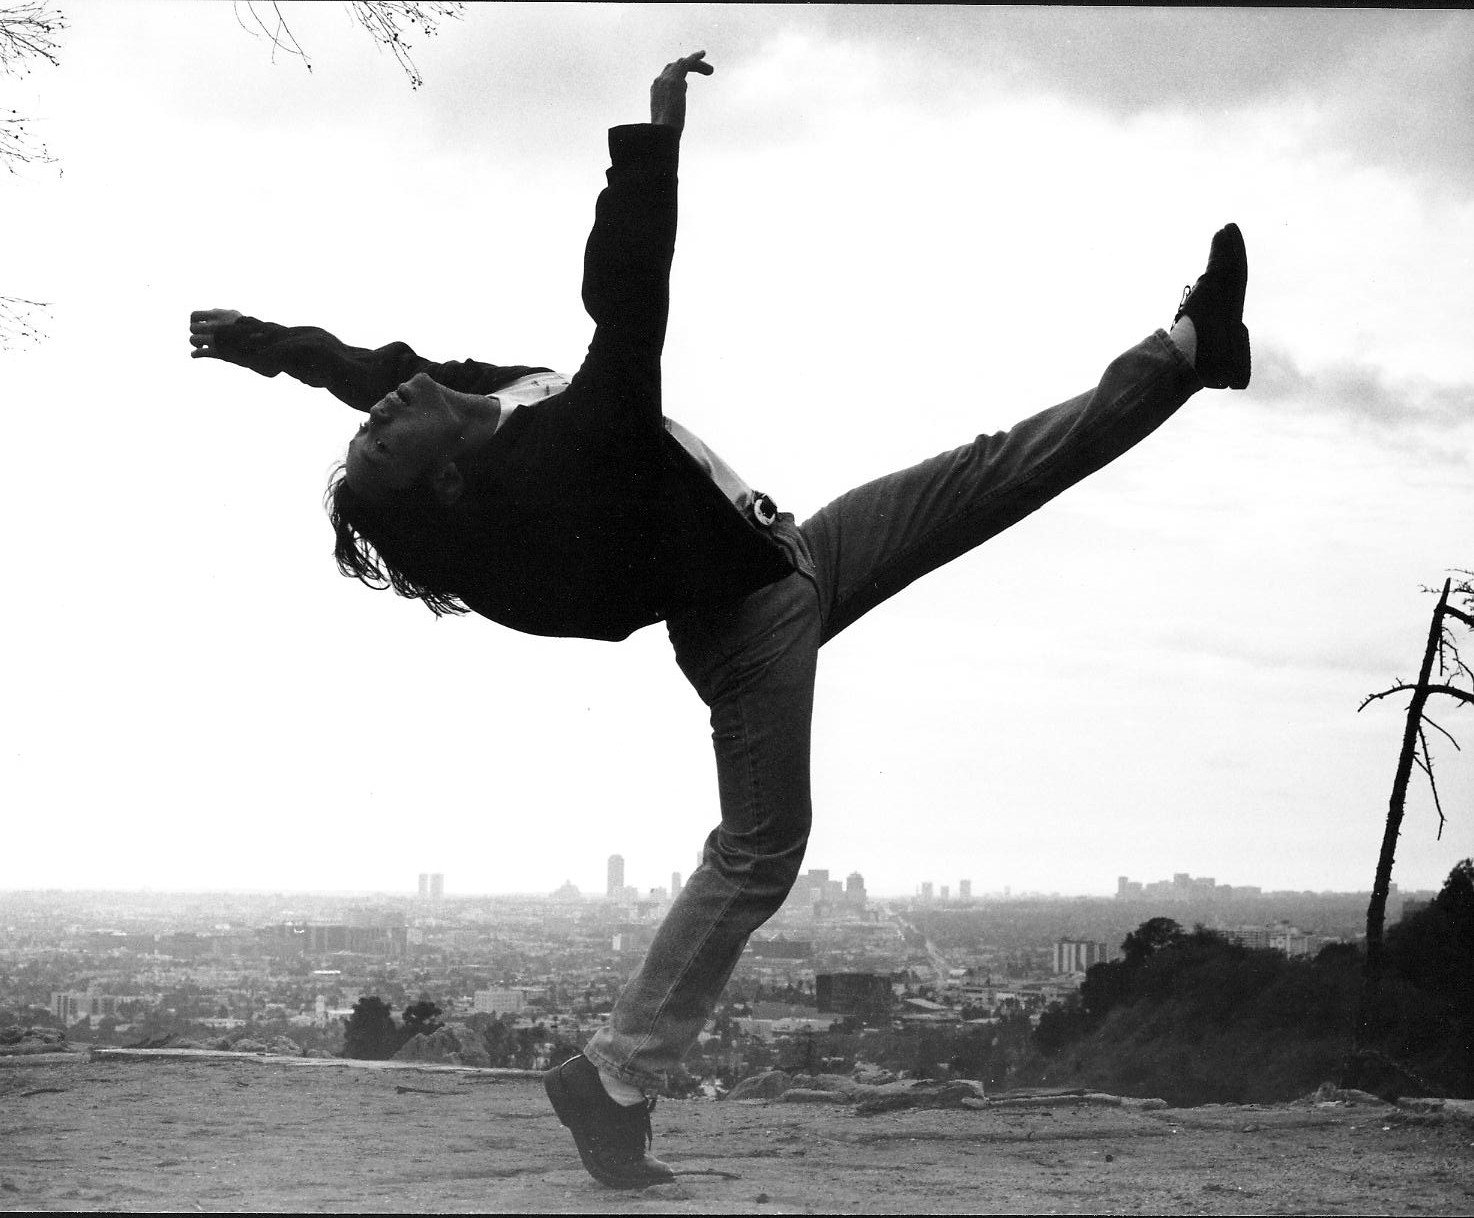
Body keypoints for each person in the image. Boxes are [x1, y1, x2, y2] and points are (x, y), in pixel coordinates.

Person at [190, 51, 1250, 1189]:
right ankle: (614, 1074)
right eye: (385, 441)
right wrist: (653, 143)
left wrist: (250, 342)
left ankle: (1191, 352)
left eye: (375, 425)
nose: (388, 409)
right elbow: (627, 302)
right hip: (749, 628)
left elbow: (353, 366)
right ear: (443, 485)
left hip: (789, 555)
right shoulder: (558, 461)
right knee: (758, 852)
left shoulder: (468, 395)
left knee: (990, 474)